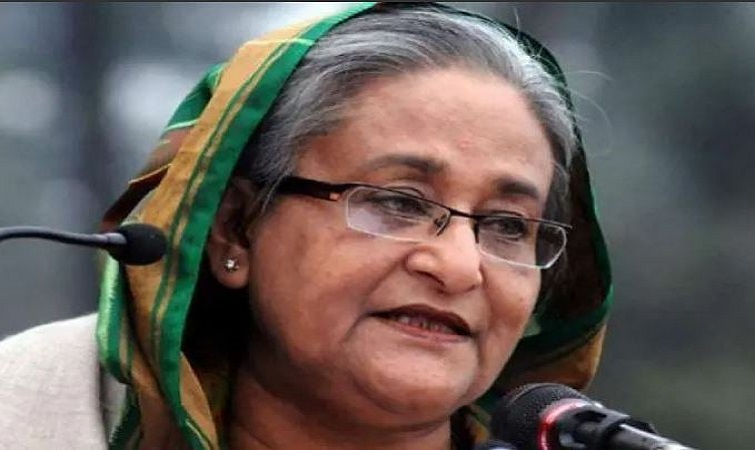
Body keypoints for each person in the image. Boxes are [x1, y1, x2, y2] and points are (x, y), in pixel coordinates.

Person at [0, 2, 612, 449]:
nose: (458, 267)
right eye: (399, 202)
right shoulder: (31, 412)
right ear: (236, 229)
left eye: (508, 225)